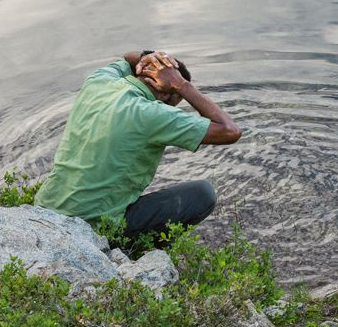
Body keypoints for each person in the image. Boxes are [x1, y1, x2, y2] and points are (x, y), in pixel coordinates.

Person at [34, 50, 241, 237]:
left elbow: (127, 58)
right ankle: (133, 251)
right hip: (89, 226)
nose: (171, 107)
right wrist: (183, 85)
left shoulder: (97, 82)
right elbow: (229, 131)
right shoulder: (152, 113)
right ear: (165, 91)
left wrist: (147, 57)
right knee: (202, 194)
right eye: (176, 100)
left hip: (44, 208)